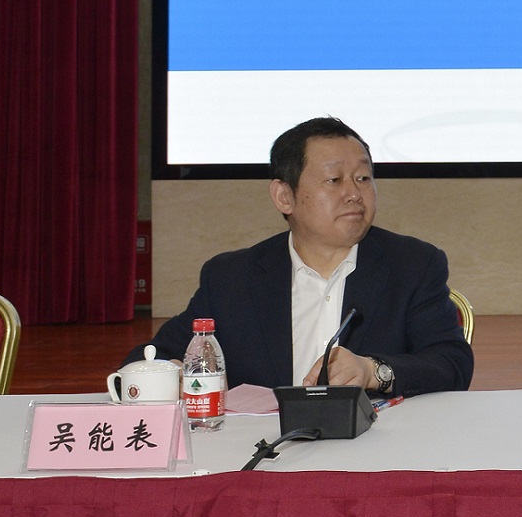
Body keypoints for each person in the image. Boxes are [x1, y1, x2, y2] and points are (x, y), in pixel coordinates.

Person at [150, 117, 472, 397]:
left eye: (363, 178)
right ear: (284, 196)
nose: (354, 194)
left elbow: (451, 363)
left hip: (377, 442)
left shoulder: (413, 265)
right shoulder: (231, 278)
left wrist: (373, 371)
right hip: (263, 443)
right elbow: (154, 356)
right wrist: (172, 375)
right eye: (334, 180)